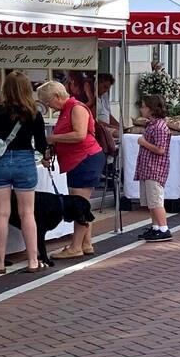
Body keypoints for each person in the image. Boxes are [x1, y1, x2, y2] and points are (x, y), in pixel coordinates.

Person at [0, 71, 48, 275]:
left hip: (0, 162)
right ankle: (33, 261)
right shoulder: (34, 113)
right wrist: (45, 155)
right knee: (27, 213)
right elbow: (41, 144)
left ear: (5, 89)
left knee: (1, 213)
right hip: (25, 162)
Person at [39, 80, 103, 261]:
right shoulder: (66, 110)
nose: (48, 106)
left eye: (48, 102)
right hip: (78, 160)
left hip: (85, 159)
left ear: (57, 96)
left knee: (79, 205)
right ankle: (86, 243)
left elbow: (79, 135)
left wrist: (52, 138)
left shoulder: (76, 108)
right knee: (81, 203)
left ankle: (75, 247)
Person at [133, 94, 173, 242]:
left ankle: (164, 228)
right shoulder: (152, 125)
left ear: (151, 109)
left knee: (156, 200)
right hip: (147, 168)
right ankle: (155, 227)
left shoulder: (160, 127)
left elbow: (161, 149)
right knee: (151, 201)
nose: (141, 109)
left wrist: (144, 143)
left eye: (144, 107)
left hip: (155, 169)